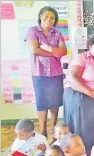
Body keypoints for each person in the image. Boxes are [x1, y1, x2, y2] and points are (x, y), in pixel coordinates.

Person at [26, 6, 67, 137]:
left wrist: (48, 49)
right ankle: (43, 130)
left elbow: (64, 51)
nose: (49, 19)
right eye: (47, 16)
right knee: (42, 102)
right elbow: (35, 50)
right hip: (39, 72)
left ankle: (54, 128)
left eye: (52, 17)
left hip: (56, 72)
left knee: (55, 101)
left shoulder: (58, 33)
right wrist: (54, 52)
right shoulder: (33, 31)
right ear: (40, 16)